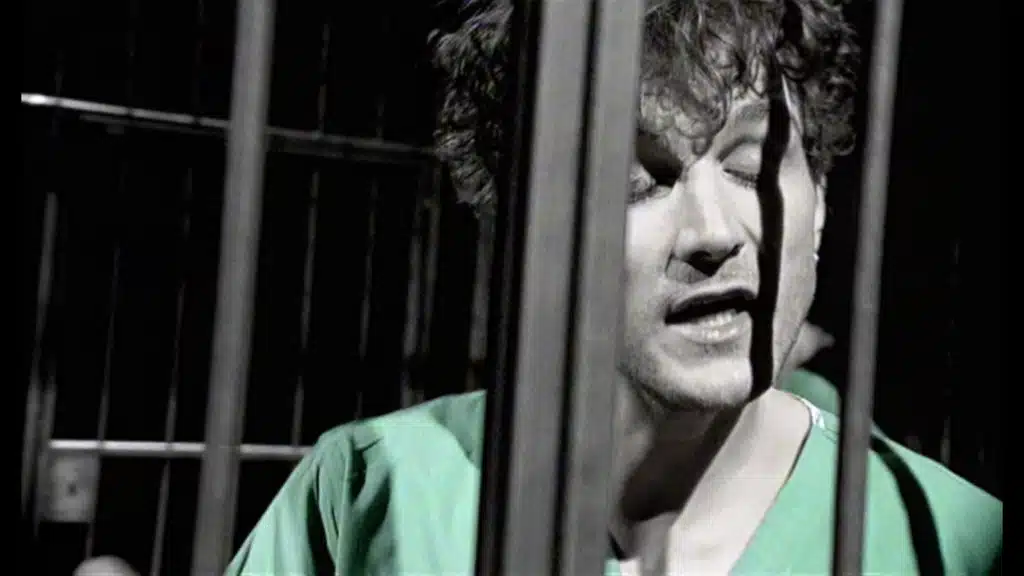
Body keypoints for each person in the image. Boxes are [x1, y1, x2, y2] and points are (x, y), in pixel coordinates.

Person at [226, 0, 1002, 574]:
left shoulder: (954, 541)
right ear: (527, 226)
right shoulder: (374, 491)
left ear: (822, 200)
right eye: (639, 180)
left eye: (749, 166)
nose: (713, 232)